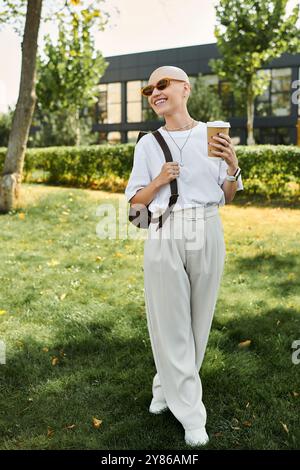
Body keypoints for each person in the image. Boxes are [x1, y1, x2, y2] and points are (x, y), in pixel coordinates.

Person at [125, 65, 243, 447]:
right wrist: (159, 180)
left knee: (197, 321)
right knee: (169, 322)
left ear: (185, 89)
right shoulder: (147, 144)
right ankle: (192, 414)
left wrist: (232, 166)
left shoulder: (211, 135)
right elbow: (134, 205)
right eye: (150, 90)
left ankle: (164, 387)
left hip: (207, 227)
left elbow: (227, 196)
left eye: (163, 85)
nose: (155, 93)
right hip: (166, 230)